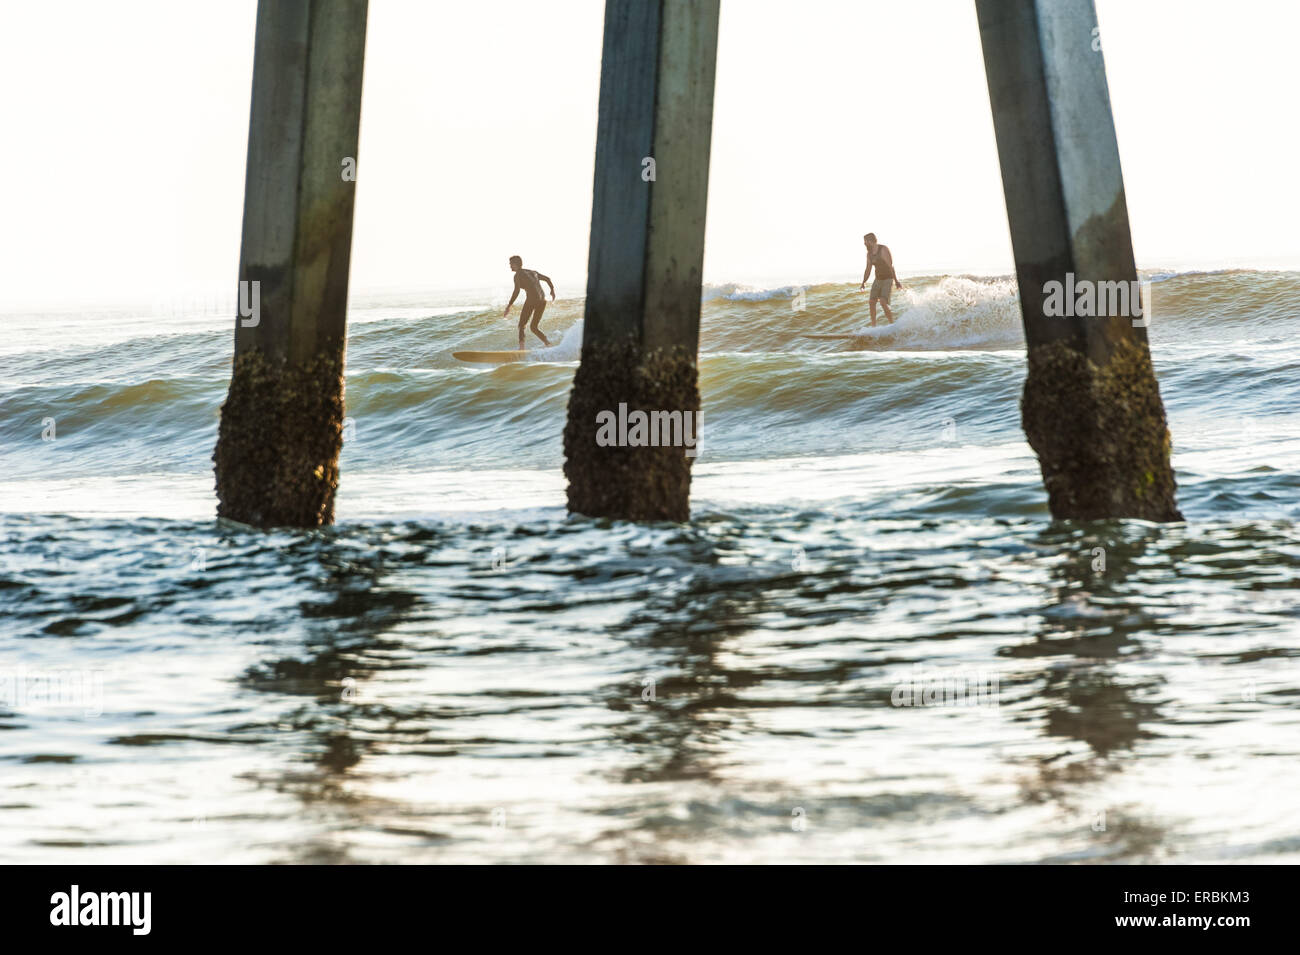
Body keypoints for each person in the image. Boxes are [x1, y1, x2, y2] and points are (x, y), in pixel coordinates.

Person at [503, 255, 556, 349]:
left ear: (515, 264)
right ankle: (548, 344)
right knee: (533, 327)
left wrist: (509, 306)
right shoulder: (533, 272)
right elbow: (548, 279)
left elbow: (517, 291)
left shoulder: (517, 275)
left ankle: (521, 348)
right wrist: (552, 291)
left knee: (521, 325)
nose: (510, 266)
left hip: (532, 300)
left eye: (511, 264)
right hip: (542, 300)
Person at [859, 233, 904, 326]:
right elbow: (868, 269)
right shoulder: (869, 254)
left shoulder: (883, 249)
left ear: (871, 241)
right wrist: (863, 282)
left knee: (883, 301)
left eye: (865, 242)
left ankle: (892, 324)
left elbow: (890, 266)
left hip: (888, 279)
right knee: (871, 302)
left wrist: (896, 281)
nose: (864, 244)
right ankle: (873, 326)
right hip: (878, 279)